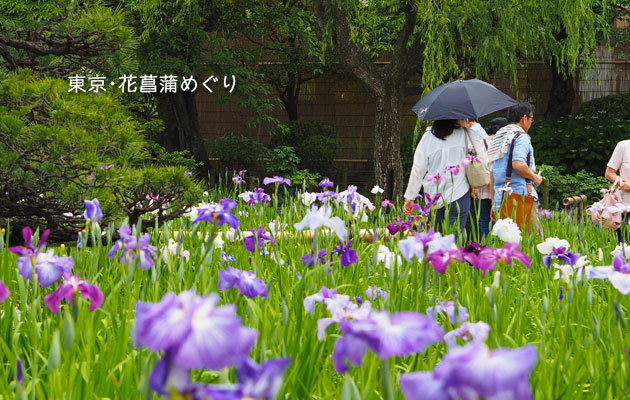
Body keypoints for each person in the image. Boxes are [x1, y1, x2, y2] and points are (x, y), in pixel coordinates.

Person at [403, 119, 487, 237]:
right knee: (455, 237)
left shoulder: (427, 138)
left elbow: (418, 169)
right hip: (459, 192)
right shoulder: (467, 134)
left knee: (438, 237)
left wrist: (410, 197)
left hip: (434, 196)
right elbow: (484, 159)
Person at [491, 101, 543, 233]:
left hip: (500, 199)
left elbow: (491, 174)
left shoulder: (500, 137)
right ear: (524, 118)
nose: (531, 122)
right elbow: (518, 164)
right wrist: (535, 177)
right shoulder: (521, 137)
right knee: (531, 242)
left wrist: (493, 203)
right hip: (520, 198)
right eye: (531, 119)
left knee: (506, 247)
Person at [462, 118, 493, 239]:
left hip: (481, 185)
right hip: (489, 186)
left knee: (482, 218)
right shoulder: (480, 132)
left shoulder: (474, 133)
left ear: (467, 120)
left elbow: (481, 159)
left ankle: (482, 243)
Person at [605, 140, 630, 243]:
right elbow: (609, 173)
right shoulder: (624, 146)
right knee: (623, 248)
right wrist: (622, 183)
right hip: (625, 207)